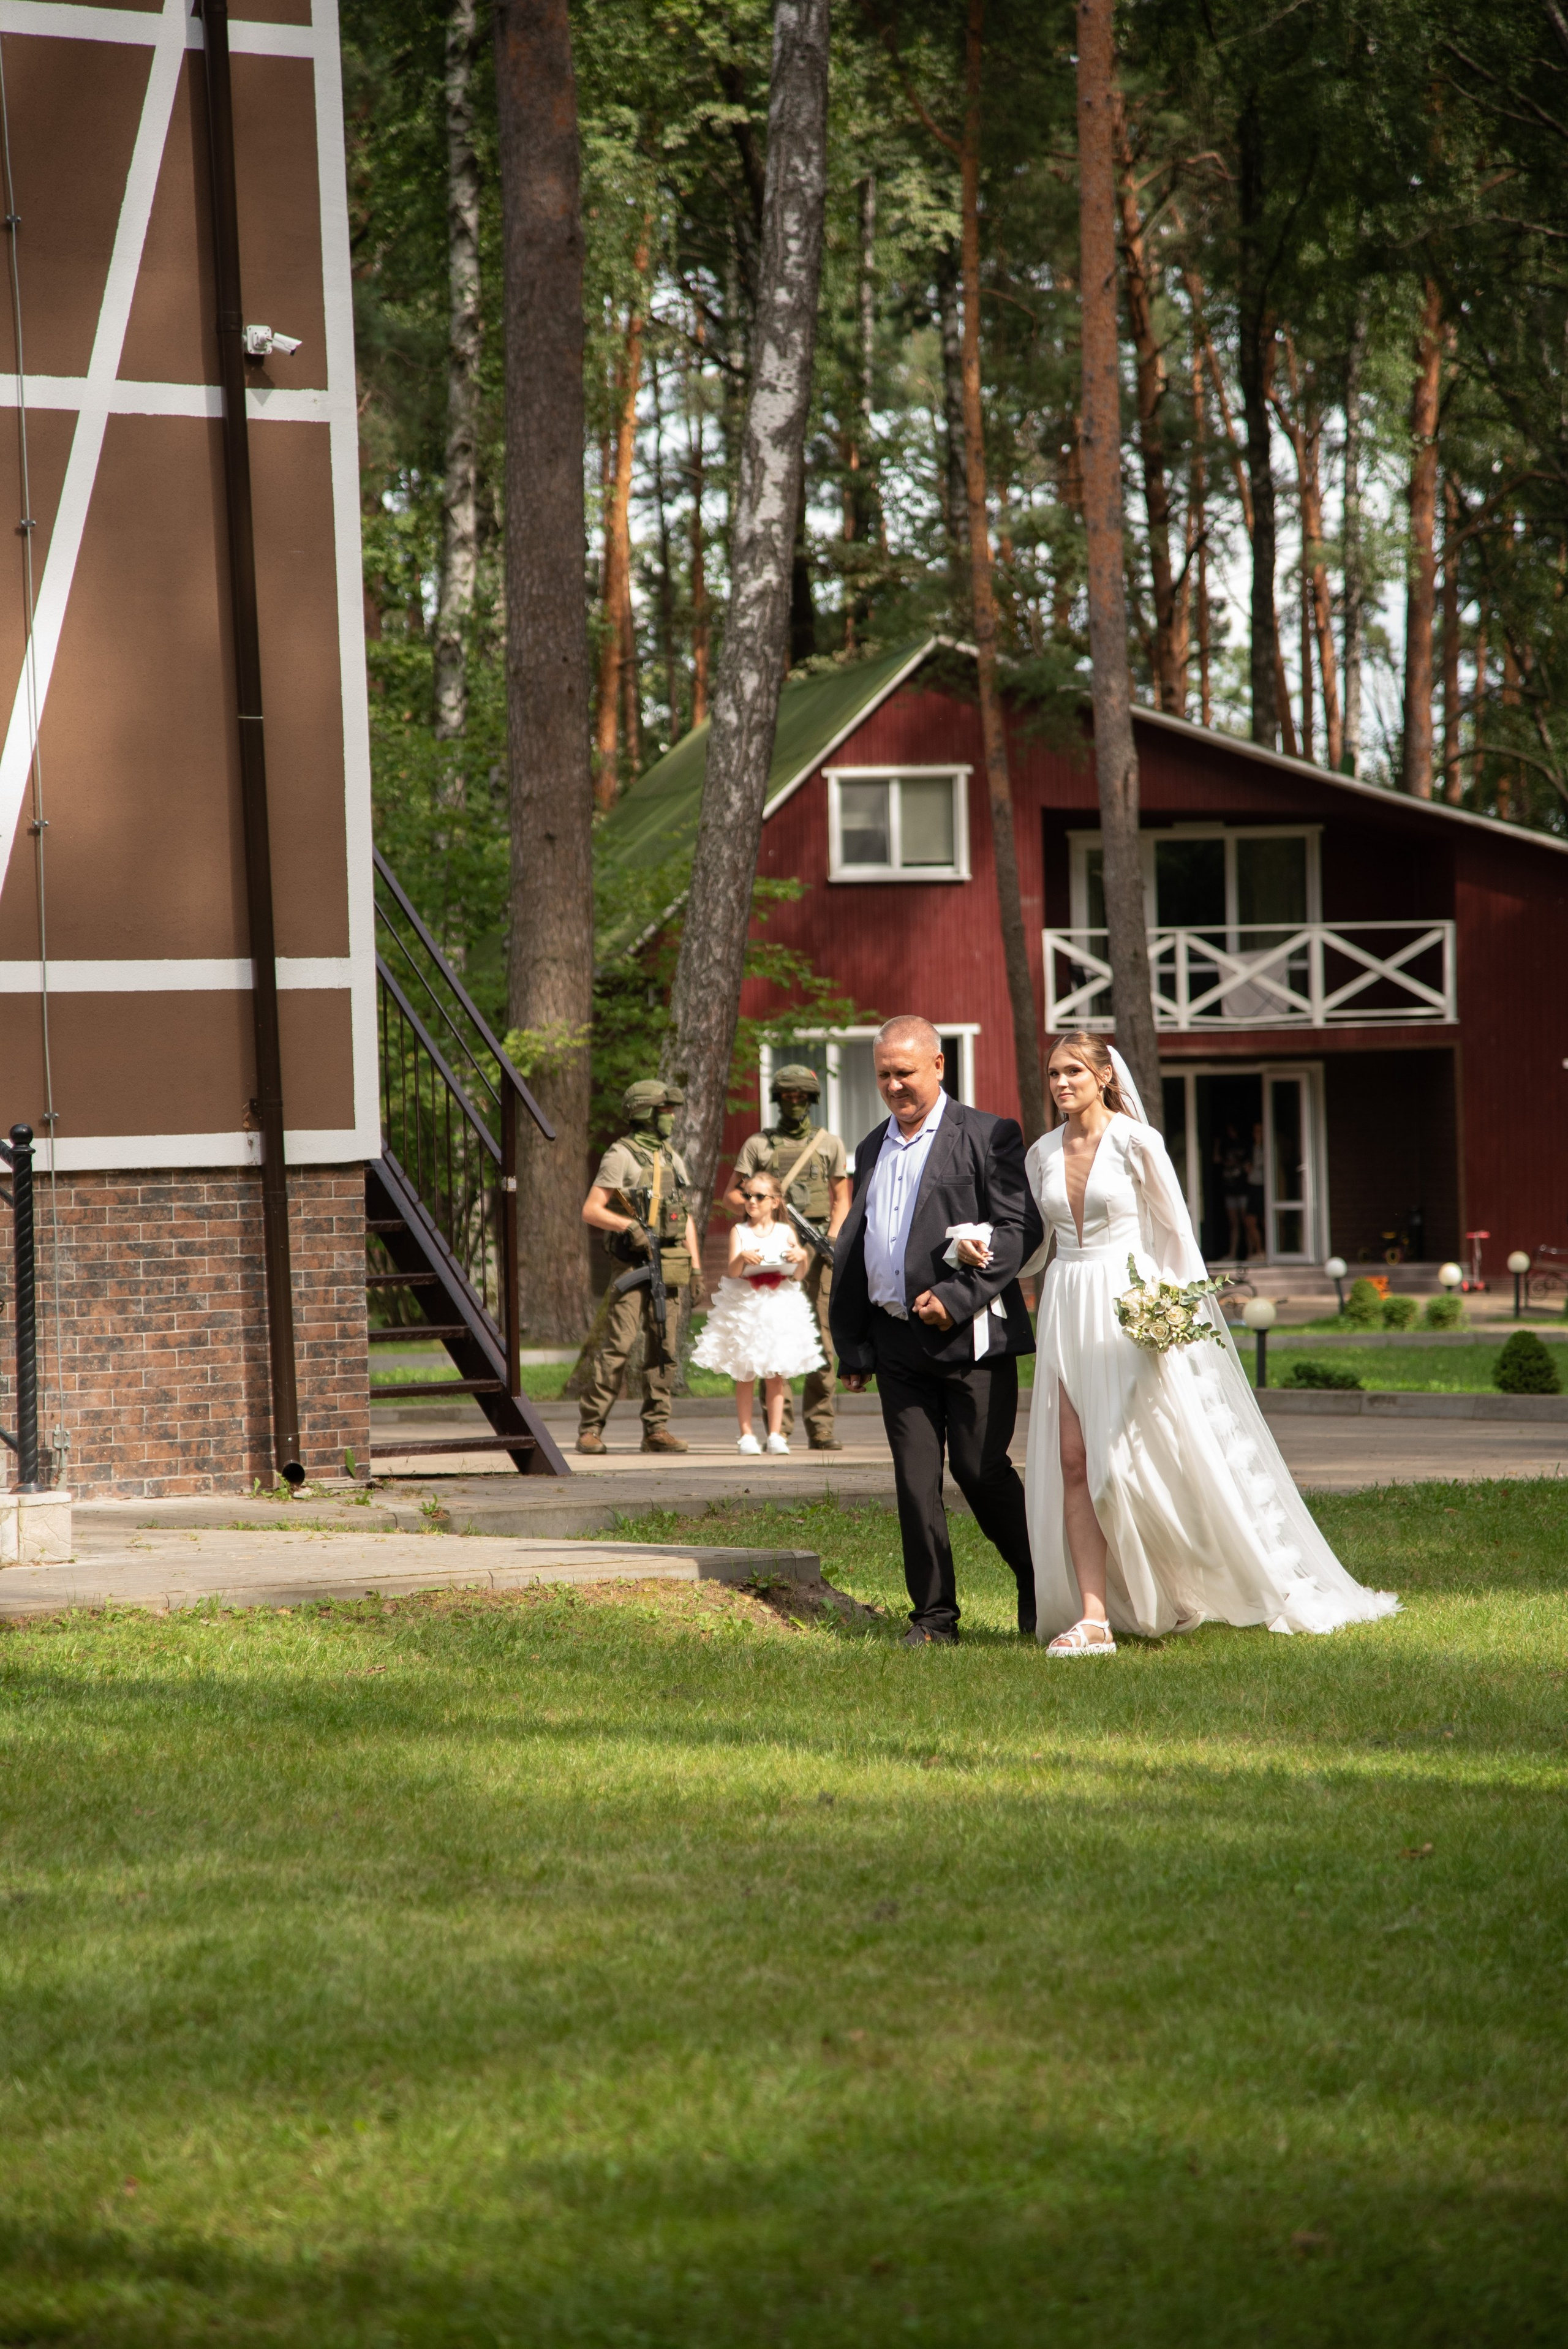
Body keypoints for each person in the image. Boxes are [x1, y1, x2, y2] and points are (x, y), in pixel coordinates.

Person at [1023, 1030, 1398, 1653]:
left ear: (1103, 1077)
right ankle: (1094, 1615)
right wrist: (983, 1256)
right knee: (1072, 1463)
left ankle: (1174, 1589)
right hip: (1065, 1300)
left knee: (1122, 1466)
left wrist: (1171, 1313)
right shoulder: (1041, 1152)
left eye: (1072, 1072)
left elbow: (1176, 1236)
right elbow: (1037, 1243)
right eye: (1052, 1074)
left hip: (1125, 1302)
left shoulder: (1137, 1142)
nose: (1060, 1083)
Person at [829, 1016, 1041, 1646]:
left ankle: (1039, 1579)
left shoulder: (987, 1135)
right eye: (884, 1075)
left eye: (906, 1072)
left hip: (970, 1337)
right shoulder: (871, 1146)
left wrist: (953, 1297)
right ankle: (933, 1618)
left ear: (939, 1066)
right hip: (895, 1343)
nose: (895, 1085)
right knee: (915, 1481)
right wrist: (856, 1343)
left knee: (981, 1471)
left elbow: (1016, 1231)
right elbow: (862, 1243)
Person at [724, 1065, 850, 1449]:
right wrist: (762, 1218)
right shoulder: (758, 1146)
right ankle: (779, 1430)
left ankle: (821, 1426)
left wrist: (829, 1239)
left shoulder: (828, 1143)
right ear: (778, 1100)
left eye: (801, 1098)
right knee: (772, 1337)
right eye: (787, 1097)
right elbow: (733, 1195)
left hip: (814, 1246)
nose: (794, 1103)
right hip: (773, 1248)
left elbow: (842, 1198)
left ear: (811, 1100)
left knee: (821, 1336)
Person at [576, 1079, 703, 1457]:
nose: (671, 1117)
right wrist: (629, 1226)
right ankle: (591, 1428)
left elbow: (687, 1217)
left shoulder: (670, 1155)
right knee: (618, 1347)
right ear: (645, 1113)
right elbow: (591, 1209)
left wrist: (696, 1268)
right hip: (634, 1265)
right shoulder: (621, 1155)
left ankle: (656, 1430)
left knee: (664, 1350)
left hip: (672, 1264)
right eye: (664, 1110)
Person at [693, 1170, 826, 1455]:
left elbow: (798, 1275)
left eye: (759, 1196)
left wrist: (802, 1258)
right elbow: (732, 1269)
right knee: (746, 1372)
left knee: (775, 1372)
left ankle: (777, 1434)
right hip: (747, 1304)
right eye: (747, 1195)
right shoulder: (739, 1231)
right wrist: (743, 1257)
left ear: (775, 1202)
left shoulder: (785, 1232)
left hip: (778, 1304)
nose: (751, 1201)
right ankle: (746, 1435)